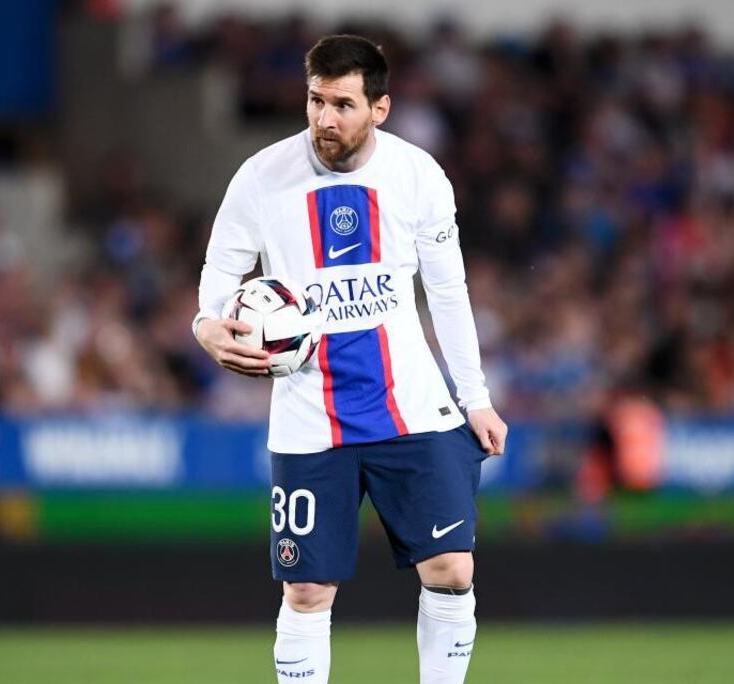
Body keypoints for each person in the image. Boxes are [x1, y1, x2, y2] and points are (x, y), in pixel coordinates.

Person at [192, 34, 507, 684]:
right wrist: (206, 325)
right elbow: (219, 275)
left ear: (380, 109)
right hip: (310, 417)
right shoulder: (260, 178)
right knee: (307, 591)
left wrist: (474, 395)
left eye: (342, 104)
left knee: (452, 569)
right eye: (314, 101)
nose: (324, 119)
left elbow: (447, 291)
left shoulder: (418, 176)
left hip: (414, 409)